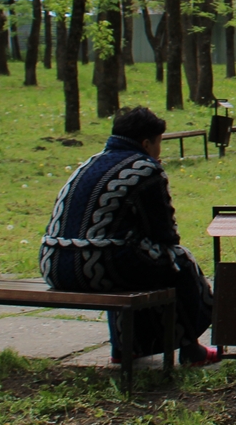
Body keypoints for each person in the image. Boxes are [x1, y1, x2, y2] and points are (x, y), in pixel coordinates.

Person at [40, 106, 217, 366]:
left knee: (134, 259)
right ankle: (191, 349)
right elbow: (165, 234)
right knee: (177, 261)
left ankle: (126, 348)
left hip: (53, 263)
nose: (159, 152)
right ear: (146, 143)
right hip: (96, 267)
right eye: (158, 144)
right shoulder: (144, 169)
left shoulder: (89, 163)